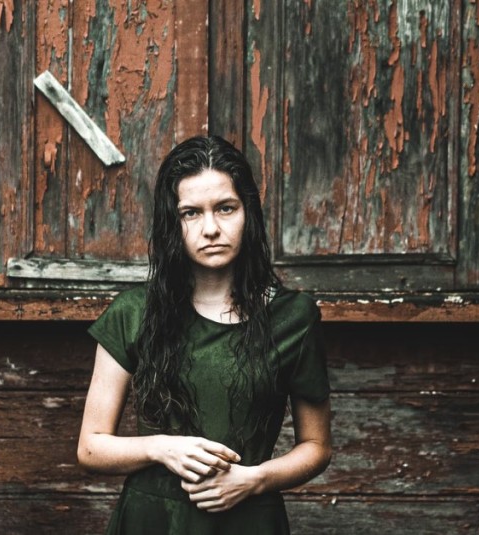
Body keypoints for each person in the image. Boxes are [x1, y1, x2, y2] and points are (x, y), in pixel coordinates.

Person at [78, 135, 332, 534]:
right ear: (171, 223)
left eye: (225, 208)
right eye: (191, 213)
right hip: (154, 520)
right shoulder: (133, 312)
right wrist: (162, 447)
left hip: (249, 519)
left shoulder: (293, 317)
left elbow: (317, 446)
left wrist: (254, 480)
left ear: (248, 213)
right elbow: (91, 447)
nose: (211, 228)